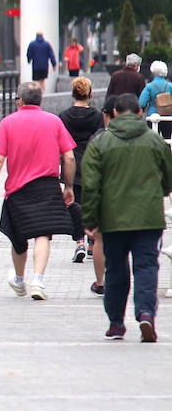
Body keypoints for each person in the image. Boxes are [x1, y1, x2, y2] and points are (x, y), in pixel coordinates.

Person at [81, 93, 172, 341]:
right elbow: (168, 178)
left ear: (114, 113)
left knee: (116, 270)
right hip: (149, 218)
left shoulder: (100, 143)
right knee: (146, 267)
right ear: (140, 113)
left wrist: (89, 219)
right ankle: (145, 313)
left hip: (113, 219)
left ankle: (116, 323)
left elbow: (90, 185)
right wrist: (159, 192)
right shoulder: (155, 142)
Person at [0, 81, 76, 301]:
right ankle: (38, 281)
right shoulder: (54, 122)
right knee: (43, 234)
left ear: (20, 100)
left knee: (18, 238)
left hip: (17, 189)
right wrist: (68, 186)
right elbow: (69, 156)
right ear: (40, 100)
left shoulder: (8, 123)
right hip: (47, 186)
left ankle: (19, 280)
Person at [59, 77, 107, 285]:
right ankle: (91, 243)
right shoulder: (96, 115)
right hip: (91, 162)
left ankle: (78, 239)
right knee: (90, 202)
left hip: (71, 161)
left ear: (73, 94)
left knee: (74, 202)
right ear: (89, 93)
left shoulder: (64, 116)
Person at [138, 60, 172, 140]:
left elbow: (142, 103)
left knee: (152, 140)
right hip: (168, 116)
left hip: (152, 116)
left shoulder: (149, 86)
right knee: (166, 139)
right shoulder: (170, 86)